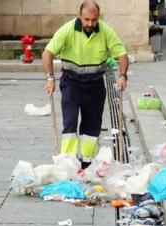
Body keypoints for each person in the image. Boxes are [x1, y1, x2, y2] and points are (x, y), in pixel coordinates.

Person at [42, 0, 129, 167]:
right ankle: (67, 163)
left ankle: (87, 163)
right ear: (80, 16)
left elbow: (122, 55)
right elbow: (48, 53)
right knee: (70, 123)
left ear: (98, 17)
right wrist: (50, 78)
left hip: (95, 84)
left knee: (92, 125)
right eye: (87, 19)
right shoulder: (67, 29)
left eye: (94, 20)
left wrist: (123, 76)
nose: (90, 24)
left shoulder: (105, 31)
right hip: (71, 83)